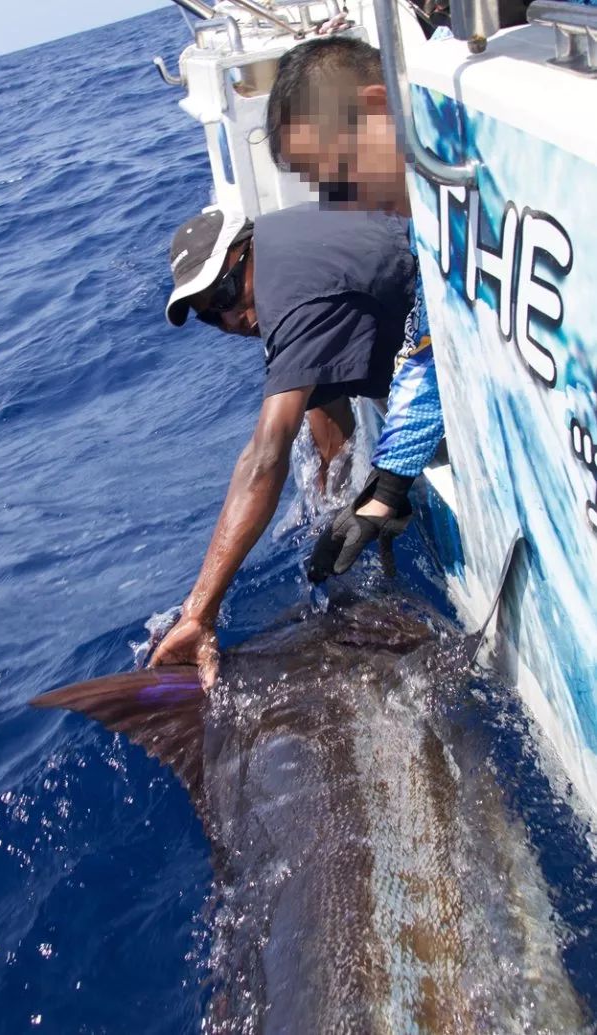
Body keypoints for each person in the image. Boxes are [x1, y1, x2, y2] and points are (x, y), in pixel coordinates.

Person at [149, 201, 417, 686]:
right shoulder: (280, 254)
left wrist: (198, 612)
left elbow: (265, 457)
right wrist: (336, 508)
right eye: (212, 317)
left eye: (225, 294)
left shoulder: (292, 300)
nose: (230, 321)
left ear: (244, 249)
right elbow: (322, 397)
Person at [265, 34, 446, 583]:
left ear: (375, 107)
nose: (348, 206)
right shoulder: (421, 223)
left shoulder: (472, 156)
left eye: (341, 173)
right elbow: (433, 347)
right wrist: (385, 488)